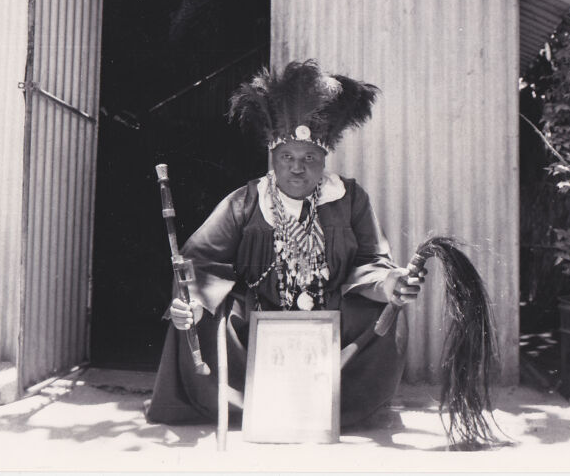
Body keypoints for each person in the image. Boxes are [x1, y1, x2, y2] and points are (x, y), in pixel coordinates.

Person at [145, 60, 425, 428]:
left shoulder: (350, 198)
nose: (298, 168)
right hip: (258, 320)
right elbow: (200, 260)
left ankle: (339, 409)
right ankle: (250, 406)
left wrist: (388, 283)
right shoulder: (245, 201)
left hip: (331, 317)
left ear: (324, 159)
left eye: (309, 157)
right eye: (287, 158)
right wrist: (192, 302)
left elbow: (373, 259)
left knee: (384, 313)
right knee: (201, 317)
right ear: (273, 159)